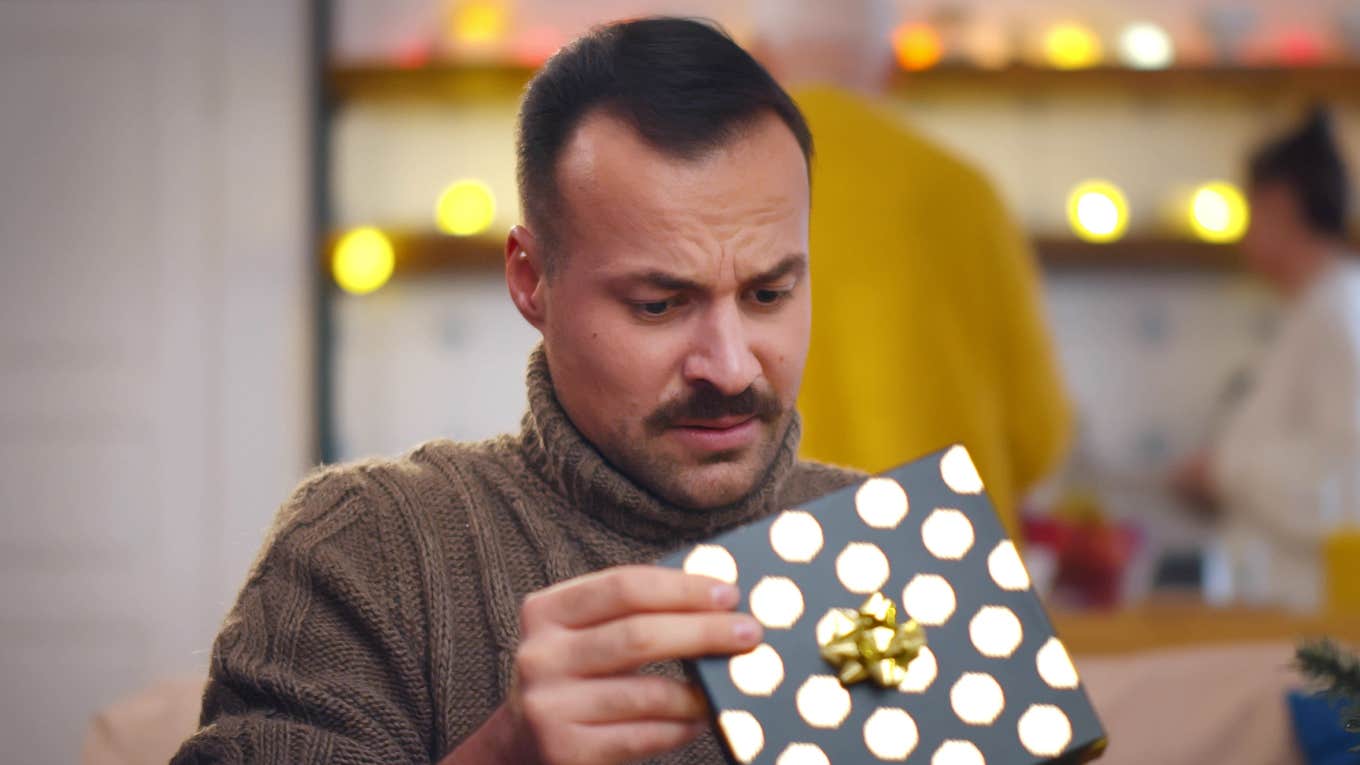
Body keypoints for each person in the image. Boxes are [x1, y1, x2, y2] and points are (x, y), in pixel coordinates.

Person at [172, 18, 862, 765]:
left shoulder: (887, 549)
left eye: (768, 294)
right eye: (659, 304)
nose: (729, 368)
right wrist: (503, 754)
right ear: (531, 280)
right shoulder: (366, 548)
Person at [751, 0, 1073, 539]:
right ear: (893, 66)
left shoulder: (707, 193)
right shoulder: (964, 193)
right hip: (944, 564)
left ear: (758, 61)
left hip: (773, 569)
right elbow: (1038, 436)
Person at [1174, 108, 1358, 612]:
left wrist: (1225, 468)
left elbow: (1348, 482)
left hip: (1315, 627)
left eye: (1247, 208)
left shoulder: (1338, 319)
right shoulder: (1316, 311)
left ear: (1278, 205)